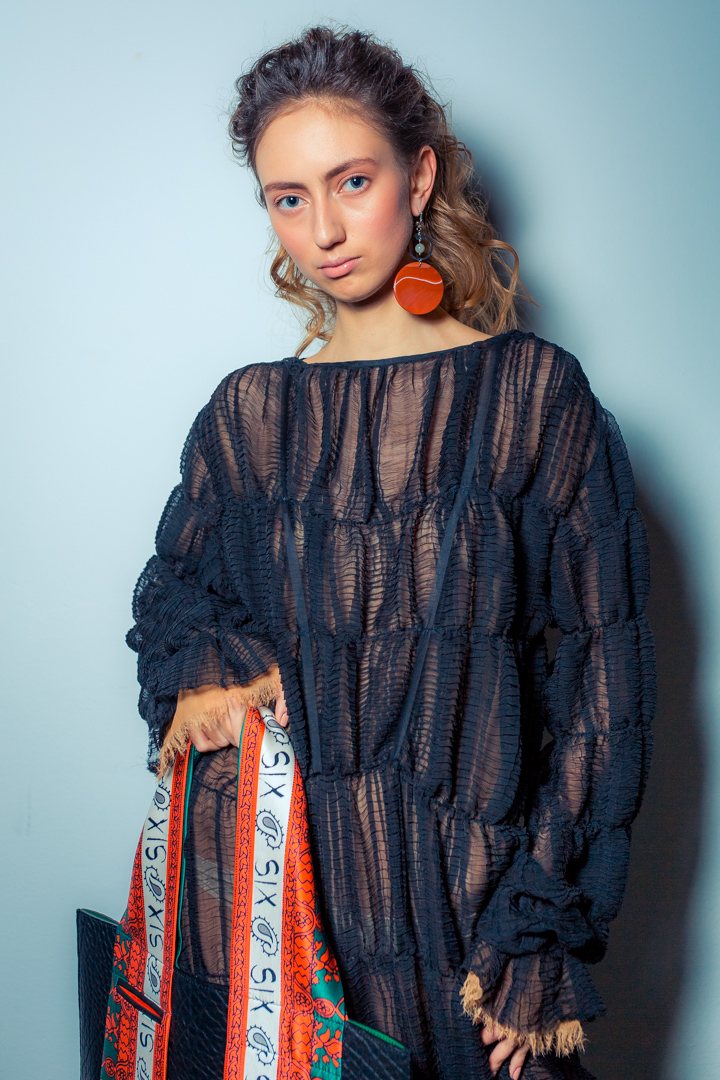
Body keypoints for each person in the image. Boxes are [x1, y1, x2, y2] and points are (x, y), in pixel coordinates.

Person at [126, 25, 656, 1080]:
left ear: (417, 179)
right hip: (290, 946)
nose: (323, 230)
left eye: (352, 182)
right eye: (288, 198)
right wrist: (213, 677)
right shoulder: (249, 418)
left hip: (481, 940)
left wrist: (538, 936)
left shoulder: (536, 399)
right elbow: (172, 598)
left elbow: (603, 688)